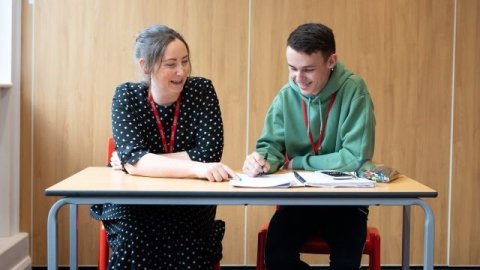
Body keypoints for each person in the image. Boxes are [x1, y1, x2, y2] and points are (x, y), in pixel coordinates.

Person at [90, 24, 236, 269]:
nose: (182, 71)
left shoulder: (202, 90)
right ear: (145, 66)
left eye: (185, 61)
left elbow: (208, 154)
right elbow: (138, 160)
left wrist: (142, 162)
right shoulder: (126, 95)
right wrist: (196, 168)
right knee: (134, 240)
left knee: (189, 242)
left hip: (189, 199)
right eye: (171, 64)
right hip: (133, 202)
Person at [243, 23, 375, 270]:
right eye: (292, 68)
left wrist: (300, 162)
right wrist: (261, 161)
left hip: (346, 202)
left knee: (346, 263)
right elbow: (270, 146)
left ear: (331, 61)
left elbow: (355, 158)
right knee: (277, 257)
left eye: (308, 69)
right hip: (300, 200)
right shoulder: (286, 95)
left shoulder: (354, 90)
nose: (298, 78)